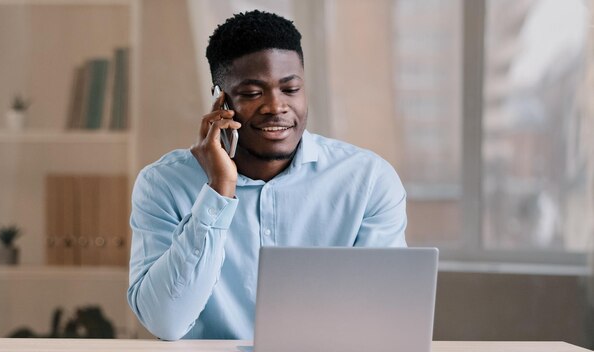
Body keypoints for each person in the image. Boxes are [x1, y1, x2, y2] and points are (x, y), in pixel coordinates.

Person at [127, 10, 407, 341]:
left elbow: (387, 317)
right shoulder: (164, 184)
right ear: (221, 101)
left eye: (290, 89)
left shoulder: (367, 180)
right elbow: (165, 322)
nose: (276, 106)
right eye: (252, 93)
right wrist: (219, 192)